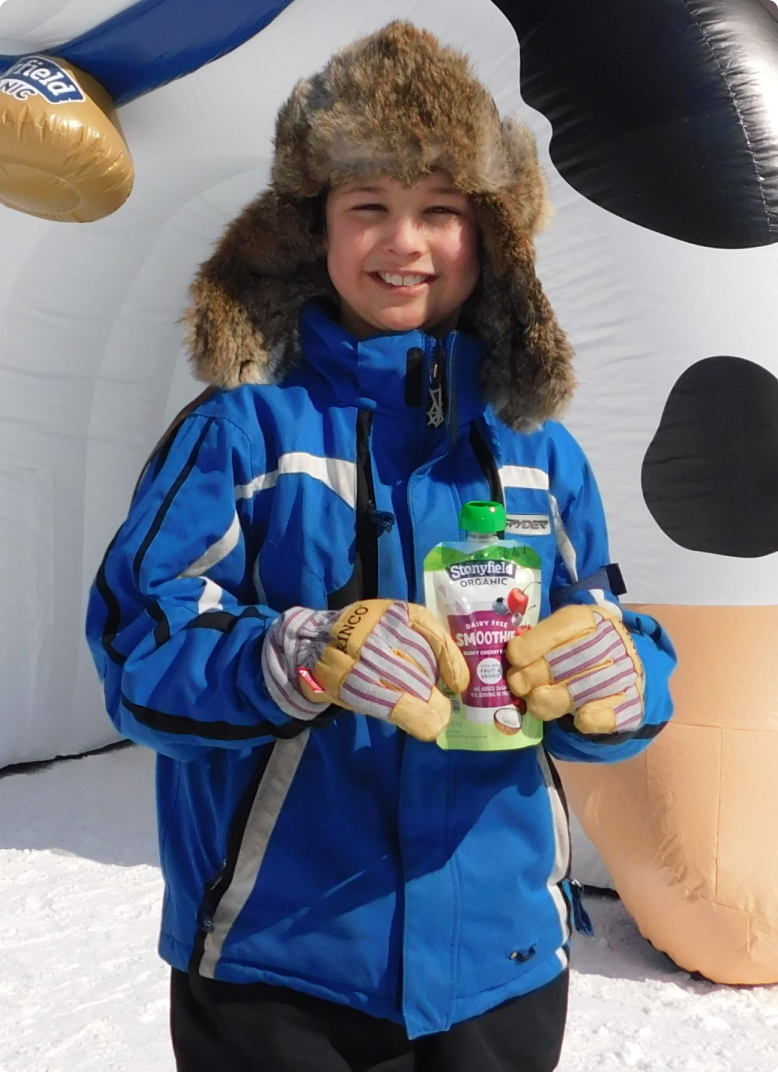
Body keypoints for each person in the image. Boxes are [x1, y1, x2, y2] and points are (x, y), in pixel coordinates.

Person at [86, 21, 676, 1072]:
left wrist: (623, 672)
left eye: (439, 211)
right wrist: (298, 655)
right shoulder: (239, 432)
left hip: (501, 962)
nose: (404, 243)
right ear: (313, 229)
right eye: (369, 206)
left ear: (487, 236)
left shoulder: (541, 451)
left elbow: (601, 623)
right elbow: (140, 650)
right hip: (280, 974)